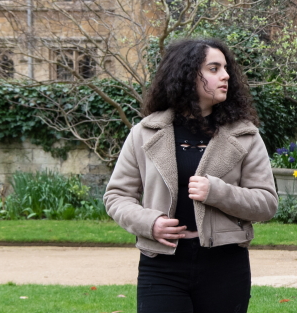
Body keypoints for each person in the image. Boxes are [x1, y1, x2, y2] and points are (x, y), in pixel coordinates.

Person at [103, 38, 277, 312]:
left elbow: (266, 203)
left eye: (226, 68)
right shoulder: (145, 133)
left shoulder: (245, 135)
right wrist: (150, 223)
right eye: (214, 68)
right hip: (161, 264)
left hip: (225, 265)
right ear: (187, 76)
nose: (225, 75)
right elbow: (117, 196)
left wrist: (217, 192)